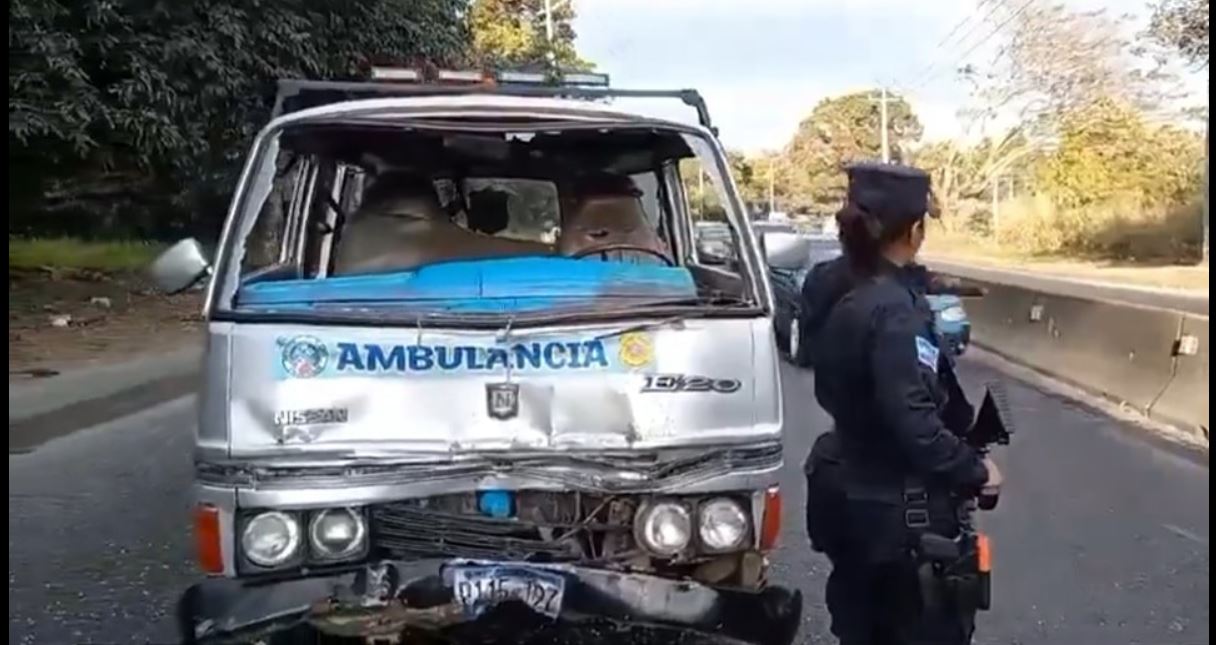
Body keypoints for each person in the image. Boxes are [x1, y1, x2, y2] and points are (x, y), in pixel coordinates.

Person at [802, 162, 1002, 645]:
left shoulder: (828, 284)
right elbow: (914, 423)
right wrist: (977, 471)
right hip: (899, 510)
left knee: (861, 624)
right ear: (915, 229)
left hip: (842, 485)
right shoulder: (893, 312)